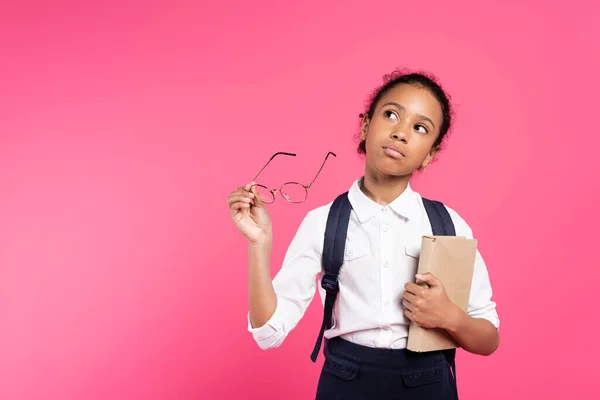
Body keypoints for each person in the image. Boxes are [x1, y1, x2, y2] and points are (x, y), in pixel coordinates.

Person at [226, 69, 500, 399]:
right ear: (366, 125)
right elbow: (269, 333)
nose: (401, 133)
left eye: (420, 127)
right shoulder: (322, 223)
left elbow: (488, 339)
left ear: (431, 153)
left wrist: (450, 317)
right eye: (391, 114)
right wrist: (259, 244)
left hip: (428, 383)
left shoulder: (450, 225)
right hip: (345, 383)